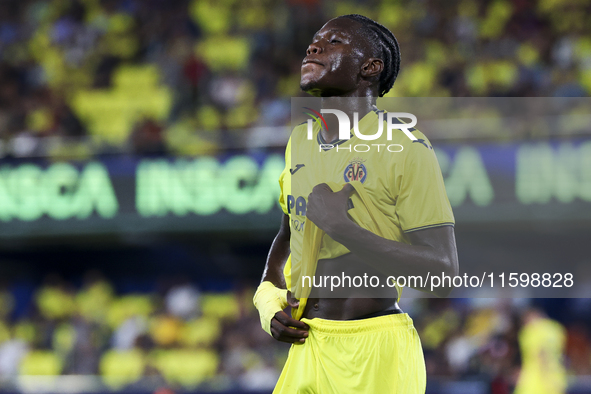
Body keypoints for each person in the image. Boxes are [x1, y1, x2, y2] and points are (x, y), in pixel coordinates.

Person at [254, 14, 458, 394]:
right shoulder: (299, 140)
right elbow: (286, 237)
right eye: (315, 40)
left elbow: (443, 273)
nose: (314, 47)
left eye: (334, 42)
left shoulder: (408, 149)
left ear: (370, 67)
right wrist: (269, 306)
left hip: (375, 352)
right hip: (308, 346)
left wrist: (344, 229)